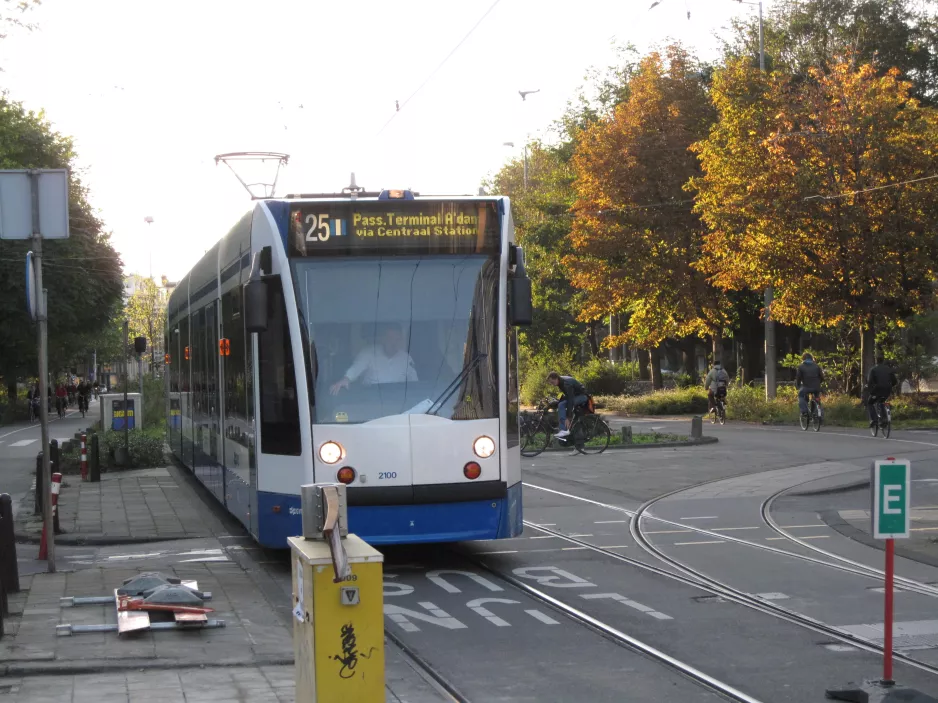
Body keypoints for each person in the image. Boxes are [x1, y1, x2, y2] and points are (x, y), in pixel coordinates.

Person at [329, 324, 418, 395]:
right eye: (390, 339)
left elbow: (415, 384)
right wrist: (345, 379)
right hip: (372, 400)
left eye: (397, 339)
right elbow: (355, 369)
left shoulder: (406, 358)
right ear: (383, 339)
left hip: (398, 401)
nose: (393, 343)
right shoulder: (368, 353)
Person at [546, 371, 588, 438]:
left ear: (556, 378)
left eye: (552, 382)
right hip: (576, 395)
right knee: (561, 404)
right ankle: (567, 429)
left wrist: (568, 417)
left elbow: (570, 400)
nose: (552, 384)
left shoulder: (566, 384)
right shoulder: (560, 381)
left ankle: (563, 430)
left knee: (562, 405)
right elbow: (567, 395)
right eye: (551, 383)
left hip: (582, 396)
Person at [867, 353, 898, 427]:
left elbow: (870, 381)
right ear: (883, 361)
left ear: (876, 361)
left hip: (877, 390)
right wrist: (890, 386)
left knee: (870, 402)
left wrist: (869, 389)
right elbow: (895, 381)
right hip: (887, 390)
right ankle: (884, 419)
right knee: (881, 401)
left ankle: (874, 420)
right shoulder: (888, 369)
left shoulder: (873, 369)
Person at [795, 352, 825, 416]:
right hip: (816, 387)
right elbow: (822, 377)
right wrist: (819, 383)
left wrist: (798, 386)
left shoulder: (801, 367)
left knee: (801, 396)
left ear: (803, 358)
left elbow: (798, 378)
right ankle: (817, 414)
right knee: (816, 398)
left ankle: (804, 411)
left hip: (806, 387)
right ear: (812, 358)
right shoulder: (817, 366)